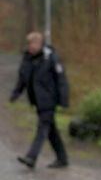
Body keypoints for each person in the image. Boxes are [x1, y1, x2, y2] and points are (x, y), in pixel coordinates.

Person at [9, 31, 70, 169]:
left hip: (49, 100)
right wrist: (15, 94)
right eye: (29, 43)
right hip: (37, 100)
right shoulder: (27, 59)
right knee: (51, 130)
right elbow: (23, 78)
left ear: (40, 44)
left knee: (42, 128)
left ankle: (31, 157)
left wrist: (64, 99)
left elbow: (61, 80)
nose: (31, 46)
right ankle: (62, 158)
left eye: (34, 43)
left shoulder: (51, 58)